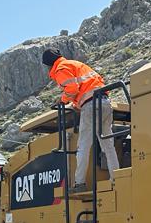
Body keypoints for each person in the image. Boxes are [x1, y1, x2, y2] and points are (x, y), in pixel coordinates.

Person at [42, 48, 120, 193]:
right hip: (105, 102)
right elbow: (89, 86)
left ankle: (79, 183)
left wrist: (63, 100)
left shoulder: (61, 69)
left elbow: (72, 88)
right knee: (108, 145)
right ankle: (116, 178)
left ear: (48, 65)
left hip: (91, 106)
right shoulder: (76, 64)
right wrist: (78, 103)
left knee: (83, 145)